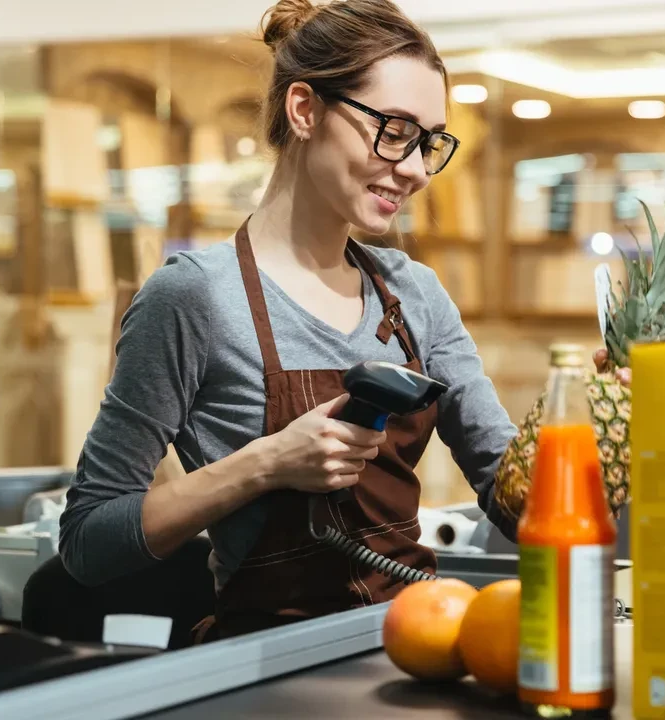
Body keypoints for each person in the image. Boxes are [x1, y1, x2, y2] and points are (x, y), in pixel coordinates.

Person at [58, 0, 608, 642]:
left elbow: (521, 509)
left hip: (413, 645)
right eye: (394, 130)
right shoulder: (194, 299)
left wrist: (594, 414)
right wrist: (264, 464)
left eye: (430, 143)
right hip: (267, 669)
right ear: (304, 110)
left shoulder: (415, 293)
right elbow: (89, 542)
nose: (415, 169)